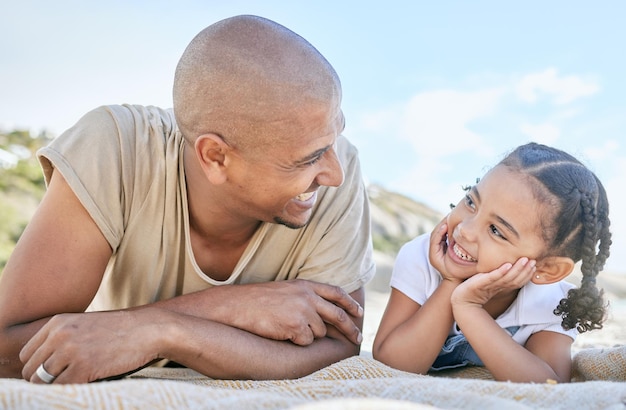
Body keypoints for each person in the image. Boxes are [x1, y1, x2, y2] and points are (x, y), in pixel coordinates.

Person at [0, 15, 375, 384]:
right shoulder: (115, 148)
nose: (334, 174)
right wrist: (224, 306)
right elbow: (6, 347)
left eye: (334, 137)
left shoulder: (338, 168)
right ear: (215, 157)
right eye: (308, 159)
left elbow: (340, 344)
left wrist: (163, 331)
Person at [373, 142, 611, 383]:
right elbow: (392, 363)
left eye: (496, 231)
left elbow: (549, 384)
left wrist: (468, 308)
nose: (465, 230)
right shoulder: (423, 256)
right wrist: (450, 283)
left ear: (547, 269)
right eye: (471, 202)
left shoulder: (550, 304)